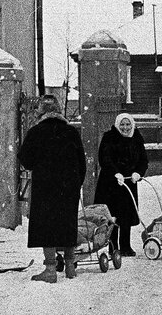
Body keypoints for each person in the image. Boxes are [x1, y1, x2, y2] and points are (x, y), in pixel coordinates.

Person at [17, 95, 86, 283]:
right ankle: (70, 266)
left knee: (46, 224)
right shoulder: (71, 131)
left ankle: (50, 269)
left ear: (42, 112)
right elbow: (82, 162)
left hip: (46, 186)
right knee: (67, 221)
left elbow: (25, 159)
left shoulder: (36, 132)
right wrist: (75, 182)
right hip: (69, 185)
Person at [93, 112, 148, 256]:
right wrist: (115, 173)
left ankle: (125, 246)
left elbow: (143, 160)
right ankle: (113, 247)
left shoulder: (136, 138)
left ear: (132, 124)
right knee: (113, 215)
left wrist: (138, 173)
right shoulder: (109, 138)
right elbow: (104, 158)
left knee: (126, 214)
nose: (125, 128)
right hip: (110, 184)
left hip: (129, 182)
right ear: (118, 125)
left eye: (128, 124)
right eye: (122, 125)